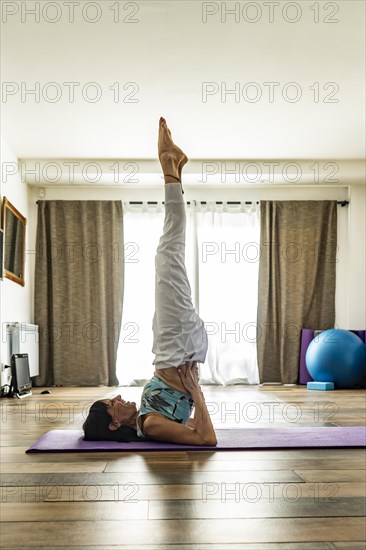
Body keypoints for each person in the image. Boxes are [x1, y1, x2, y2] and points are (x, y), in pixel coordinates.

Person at [83, 117, 217, 446]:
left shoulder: (146, 415)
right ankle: (170, 167)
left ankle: (176, 168)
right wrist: (197, 391)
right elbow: (206, 439)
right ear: (115, 425)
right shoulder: (152, 425)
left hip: (174, 348)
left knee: (168, 256)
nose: (116, 398)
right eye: (111, 405)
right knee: (168, 255)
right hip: (178, 347)